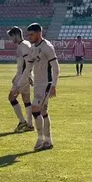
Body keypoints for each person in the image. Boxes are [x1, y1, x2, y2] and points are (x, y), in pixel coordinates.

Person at [15, 23, 59, 151]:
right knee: (43, 112)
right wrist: (18, 86)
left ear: (39, 33)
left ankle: (40, 139)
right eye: (28, 34)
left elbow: (56, 68)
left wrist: (54, 85)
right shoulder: (33, 48)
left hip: (46, 84)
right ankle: (48, 141)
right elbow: (28, 69)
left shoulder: (47, 47)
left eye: (31, 34)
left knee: (35, 110)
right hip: (38, 85)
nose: (29, 37)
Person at [7, 26, 34, 132]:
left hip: (23, 77)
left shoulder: (23, 46)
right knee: (26, 99)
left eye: (11, 36)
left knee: (11, 97)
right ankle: (30, 125)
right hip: (24, 76)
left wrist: (24, 78)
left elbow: (28, 64)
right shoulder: (24, 45)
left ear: (17, 35)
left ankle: (22, 122)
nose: (11, 39)